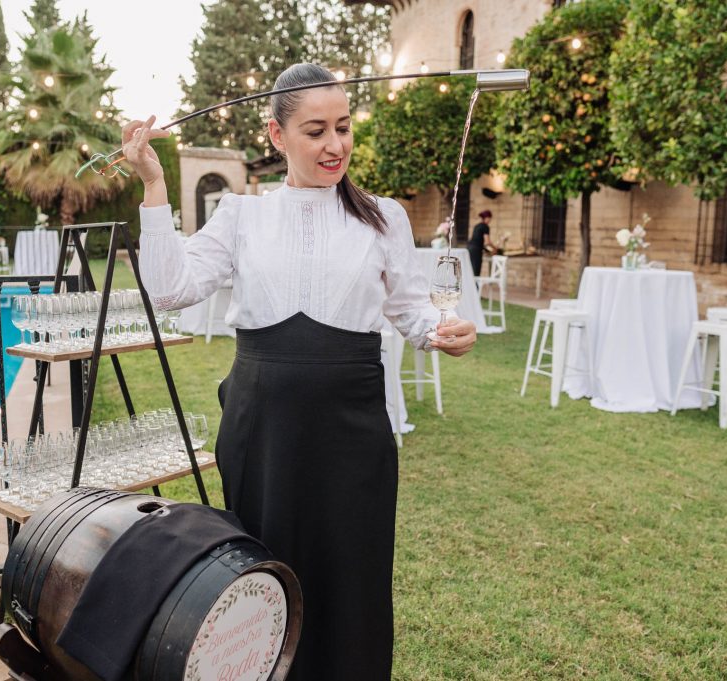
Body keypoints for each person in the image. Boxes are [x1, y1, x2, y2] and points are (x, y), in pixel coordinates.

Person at [121, 63, 476, 681]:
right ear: (276, 135)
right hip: (263, 430)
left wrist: (439, 332)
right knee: (263, 579)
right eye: (316, 130)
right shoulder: (241, 216)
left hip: (353, 430)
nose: (335, 145)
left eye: (343, 127)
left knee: (352, 579)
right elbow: (170, 287)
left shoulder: (383, 216)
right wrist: (154, 186)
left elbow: (409, 308)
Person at [467, 209, 499, 277]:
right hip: (476, 250)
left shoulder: (477, 226)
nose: (490, 220)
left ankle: (472, 286)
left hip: (469, 248)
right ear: (487, 218)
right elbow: (487, 242)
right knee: (476, 271)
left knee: (471, 269)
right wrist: (495, 248)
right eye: (490, 218)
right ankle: (476, 287)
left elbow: (477, 239)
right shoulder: (485, 227)